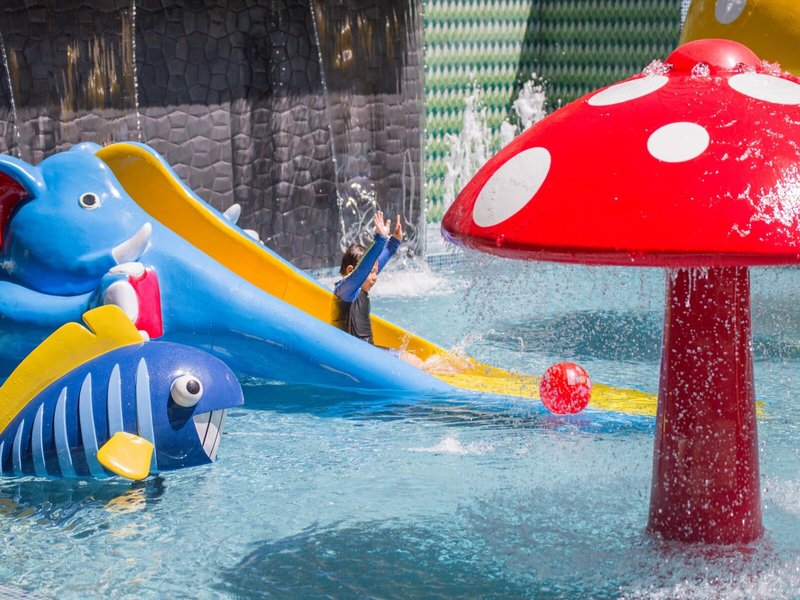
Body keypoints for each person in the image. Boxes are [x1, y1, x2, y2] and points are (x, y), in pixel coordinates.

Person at [332, 211, 402, 344]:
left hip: (368, 351)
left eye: (375, 272)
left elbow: (379, 259)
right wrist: (380, 238)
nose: (375, 277)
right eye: (372, 272)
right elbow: (362, 270)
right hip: (349, 352)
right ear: (350, 271)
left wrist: (395, 240)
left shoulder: (363, 285)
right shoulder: (343, 292)